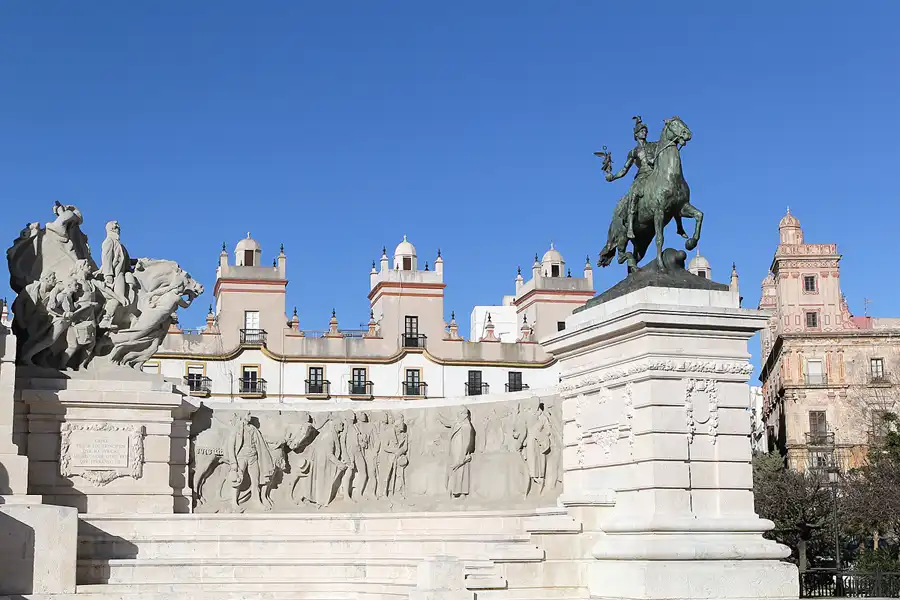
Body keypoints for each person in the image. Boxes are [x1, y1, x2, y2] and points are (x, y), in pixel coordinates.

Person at [604, 116, 657, 240]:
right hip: (642, 176)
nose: (644, 132)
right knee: (634, 193)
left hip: (654, 174)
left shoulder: (653, 146)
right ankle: (630, 227)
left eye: (645, 131)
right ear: (636, 134)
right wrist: (612, 177)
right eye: (641, 131)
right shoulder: (633, 152)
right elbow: (624, 170)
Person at [98, 221, 133, 329]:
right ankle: (106, 319)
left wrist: (141, 261)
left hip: (122, 273)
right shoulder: (108, 241)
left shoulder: (120, 245)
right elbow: (106, 258)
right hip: (115, 275)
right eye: (115, 227)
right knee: (117, 297)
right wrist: (108, 275)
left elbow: (127, 260)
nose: (117, 229)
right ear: (111, 229)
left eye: (118, 227)